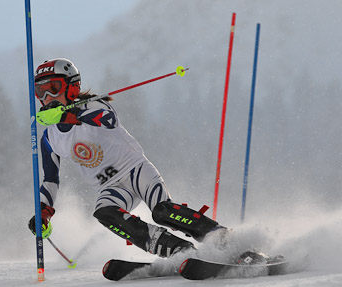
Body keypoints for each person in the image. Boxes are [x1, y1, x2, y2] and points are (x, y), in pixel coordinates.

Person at [28, 58, 225, 258]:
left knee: (162, 211)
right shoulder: (50, 137)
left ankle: (220, 238)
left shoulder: (93, 106)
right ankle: (176, 250)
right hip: (110, 187)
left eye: (54, 87)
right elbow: (50, 179)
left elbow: (107, 120)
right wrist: (44, 210)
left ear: (72, 87)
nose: (47, 97)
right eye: (40, 91)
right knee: (105, 212)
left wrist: (73, 116)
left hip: (136, 171)